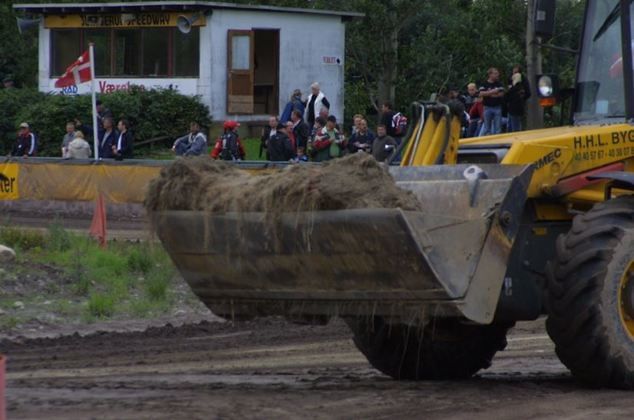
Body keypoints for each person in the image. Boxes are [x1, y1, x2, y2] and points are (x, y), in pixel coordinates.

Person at [478, 67, 505, 136]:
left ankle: (498, 143)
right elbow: (481, 93)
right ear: (490, 75)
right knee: (487, 128)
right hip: (487, 107)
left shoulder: (499, 84)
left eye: (497, 73)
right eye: (495, 73)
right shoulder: (484, 83)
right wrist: (493, 91)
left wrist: (488, 94)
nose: (497, 75)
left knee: (498, 128)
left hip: (497, 107)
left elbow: (501, 94)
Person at [506, 66, 532, 133]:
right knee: (509, 125)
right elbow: (508, 93)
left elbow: (528, 93)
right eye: (513, 72)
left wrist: (522, 98)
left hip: (518, 105)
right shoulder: (511, 80)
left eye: (516, 72)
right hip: (510, 105)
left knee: (516, 126)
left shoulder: (522, 82)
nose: (514, 74)